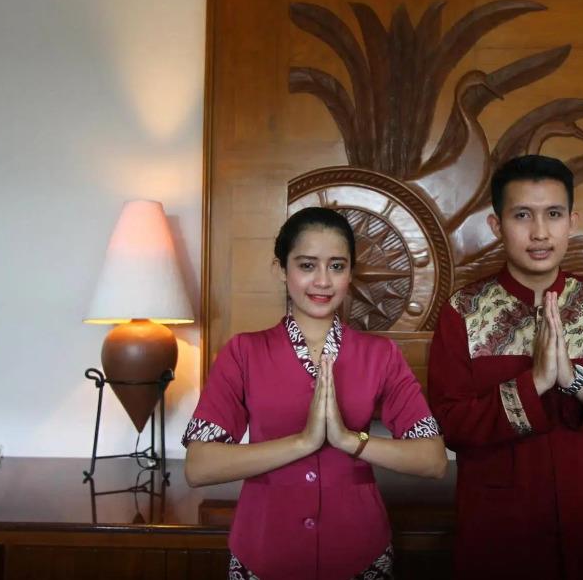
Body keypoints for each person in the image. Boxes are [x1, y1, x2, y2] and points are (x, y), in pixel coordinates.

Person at [428, 154, 583, 580]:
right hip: (501, 537)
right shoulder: (464, 311)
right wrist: (533, 383)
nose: (539, 232)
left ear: (572, 222)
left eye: (553, 214)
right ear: (497, 225)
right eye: (522, 215)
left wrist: (576, 382)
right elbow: (451, 423)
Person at [183, 206, 447, 580]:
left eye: (337, 266)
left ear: (351, 273)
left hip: (360, 554)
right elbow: (199, 466)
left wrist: (348, 440)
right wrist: (304, 442)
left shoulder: (380, 355)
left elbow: (433, 460)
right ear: (281, 269)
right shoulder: (243, 352)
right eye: (307, 265)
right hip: (265, 553)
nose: (323, 281)